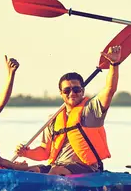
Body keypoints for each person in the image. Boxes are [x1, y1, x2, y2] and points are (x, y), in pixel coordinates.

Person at [14, 46, 122, 175]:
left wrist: (114, 64)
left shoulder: (90, 111)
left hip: (86, 168)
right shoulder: (53, 119)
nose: (72, 93)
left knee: (56, 171)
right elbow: (44, 152)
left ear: (82, 91)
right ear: (61, 93)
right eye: (67, 91)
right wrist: (26, 153)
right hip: (57, 166)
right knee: (31, 171)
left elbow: (109, 90)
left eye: (76, 90)